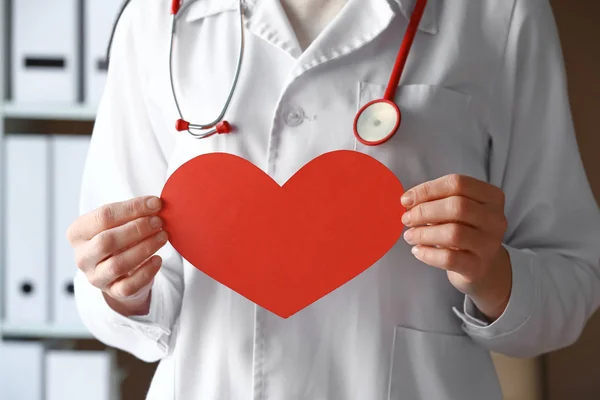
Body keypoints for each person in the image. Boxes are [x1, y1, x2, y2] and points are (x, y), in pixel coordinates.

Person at [68, 0, 600, 399]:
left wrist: (492, 275)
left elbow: (571, 278)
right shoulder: (161, 19)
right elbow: (104, 284)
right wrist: (120, 287)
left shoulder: (496, 14)